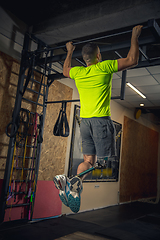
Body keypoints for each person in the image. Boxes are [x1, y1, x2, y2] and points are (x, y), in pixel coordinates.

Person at [53, 25, 143, 213]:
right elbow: (132, 60)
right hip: (101, 121)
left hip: (84, 122)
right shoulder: (104, 66)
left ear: (85, 59)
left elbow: (65, 70)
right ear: (98, 56)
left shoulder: (78, 72)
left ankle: (73, 185)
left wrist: (70, 51)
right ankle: (70, 181)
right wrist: (135, 36)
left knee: (88, 161)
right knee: (101, 162)